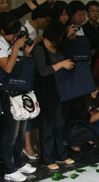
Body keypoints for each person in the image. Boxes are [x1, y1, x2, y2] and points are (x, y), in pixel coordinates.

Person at [0, 12, 37, 182]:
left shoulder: (11, 42)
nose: (15, 37)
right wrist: (16, 47)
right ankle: (9, 169)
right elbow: (8, 68)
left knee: (21, 132)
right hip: (7, 91)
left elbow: (20, 66)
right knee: (11, 133)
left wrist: (26, 52)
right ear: (3, 31)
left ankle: (19, 162)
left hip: (19, 89)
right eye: (12, 34)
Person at [32, 20, 76, 170]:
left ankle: (61, 154)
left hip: (59, 90)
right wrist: (61, 65)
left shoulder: (56, 48)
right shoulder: (39, 49)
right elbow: (42, 71)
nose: (61, 39)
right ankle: (47, 158)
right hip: (45, 91)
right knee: (47, 125)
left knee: (59, 124)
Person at [21, 4, 52, 161]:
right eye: (46, 20)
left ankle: (39, 143)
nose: (47, 23)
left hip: (37, 75)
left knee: (37, 110)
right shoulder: (24, 31)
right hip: (25, 75)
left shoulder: (40, 32)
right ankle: (27, 145)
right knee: (27, 110)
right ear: (39, 18)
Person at [66, 80, 99, 152]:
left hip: (83, 124)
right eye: (94, 89)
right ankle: (75, 143)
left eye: (98, 90)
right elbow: (88, 119)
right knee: (97, 129)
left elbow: (92, 112)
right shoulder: (78, 100)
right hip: (72, 128)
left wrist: (98, 111)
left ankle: (85, 139)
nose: (96, 91)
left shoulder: (94, 98)